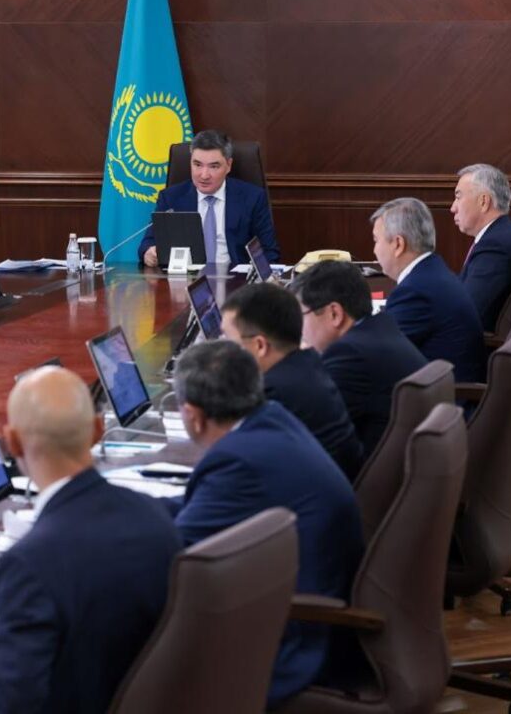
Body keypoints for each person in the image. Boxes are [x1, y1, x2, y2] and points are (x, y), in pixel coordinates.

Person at [0, 367, 181, 714]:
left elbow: (4, 707)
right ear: (97, 431)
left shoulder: (28, 564)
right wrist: (6, 651)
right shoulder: (154, 515)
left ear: (13, 442)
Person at [167, 340, 362, 707]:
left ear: (193, 415)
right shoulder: (272, 419)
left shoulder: (237, 460)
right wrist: (129, 508)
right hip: (317, 604)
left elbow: (176, 555)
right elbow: (200, 508)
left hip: (297, 640)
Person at [221, 283, 362, 478]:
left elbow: (233, 464)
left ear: (260, 345)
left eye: (228, 340)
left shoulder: (273, 395)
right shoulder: (308, 364)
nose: (222, 351)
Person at [290, 261, 427, 459]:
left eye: (301, 316)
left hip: (369, 472)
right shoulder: (379, 328)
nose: (299, 329)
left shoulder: (350, 355)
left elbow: (309, 427)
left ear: (335, 313)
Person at [372, 197, 485, 382]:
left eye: (376, 240)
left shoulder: (416, 291)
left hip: (446, 395)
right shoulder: (432, 272)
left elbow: (380, 355)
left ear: (398, 244)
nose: (374, 250)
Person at [139, 130, 279, 268]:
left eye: (214, 166)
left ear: (228, 165)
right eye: (197, 165)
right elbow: (148, 243)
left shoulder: (252, 198)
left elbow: (270, 252)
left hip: (235, 278)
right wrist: (148, 253)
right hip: (186, 278)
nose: (204, 175)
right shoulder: (171, 198)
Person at [451, 163, 511, 333]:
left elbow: (467, 313)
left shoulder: (496, 244)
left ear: (483, 201)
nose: (453, 208)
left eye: (458, 197)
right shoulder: (501, 235)